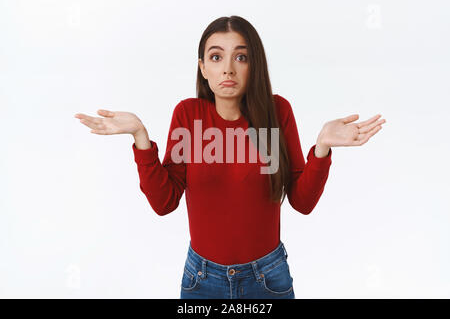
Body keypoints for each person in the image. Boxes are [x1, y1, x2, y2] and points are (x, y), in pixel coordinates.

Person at [74, 15, 386, 299]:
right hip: (202, 279)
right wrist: (141, 138)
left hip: (268, 278)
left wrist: (322, 148)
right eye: (216, 56)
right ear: (202, 67)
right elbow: (164, 202)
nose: (228, 68)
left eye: (241, 57)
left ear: (255, 65)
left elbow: (302, 203)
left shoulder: (277, 113)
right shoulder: (189, 115)